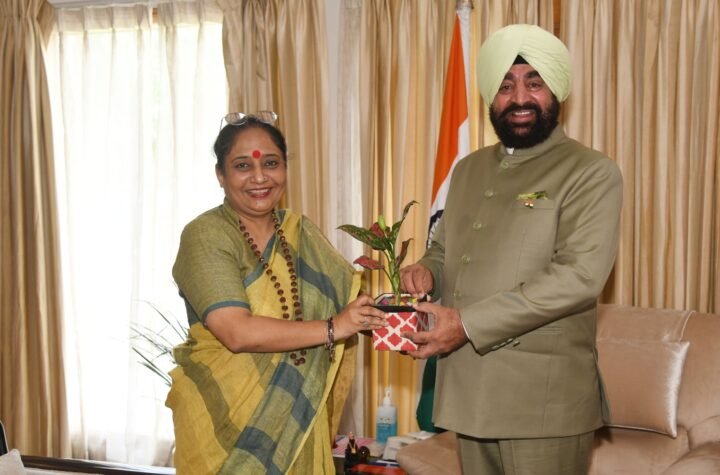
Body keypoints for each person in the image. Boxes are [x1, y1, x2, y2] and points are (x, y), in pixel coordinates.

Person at [400, 24, 623, 475]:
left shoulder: (591, 171)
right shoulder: (468, 169)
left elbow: (579, 277)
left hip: (542, 402)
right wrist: (427, 270)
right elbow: (444, 248)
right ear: (491, 97)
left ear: (555, 91)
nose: (520, 98)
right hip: (468, 393)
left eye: (534, 83)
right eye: (505, 86)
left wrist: (466, 323)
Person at [166, 112, 387, 474]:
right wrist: (333, 327)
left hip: (295, 419)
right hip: (224, 427)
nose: (259, 177)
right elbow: (236, 331)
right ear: (220, 175)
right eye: (242, 165)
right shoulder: (205, 235)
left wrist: (399, 318)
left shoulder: (301, 234)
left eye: (271, 163)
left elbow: (348, 308)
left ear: (285, 168)